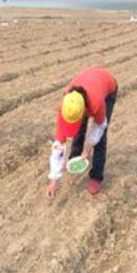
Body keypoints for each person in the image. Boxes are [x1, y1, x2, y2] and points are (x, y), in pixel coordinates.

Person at [46, 67, 118, 198]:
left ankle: (96, 176)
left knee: (100, 138)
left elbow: (99, 127)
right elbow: (58, 146)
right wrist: (53, 180)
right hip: (88, 81)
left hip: (107, 87)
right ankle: (75, 157)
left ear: (85, 111)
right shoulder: (66, 106)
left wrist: (87, 150)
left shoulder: (96, 103)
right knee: (79, 130)